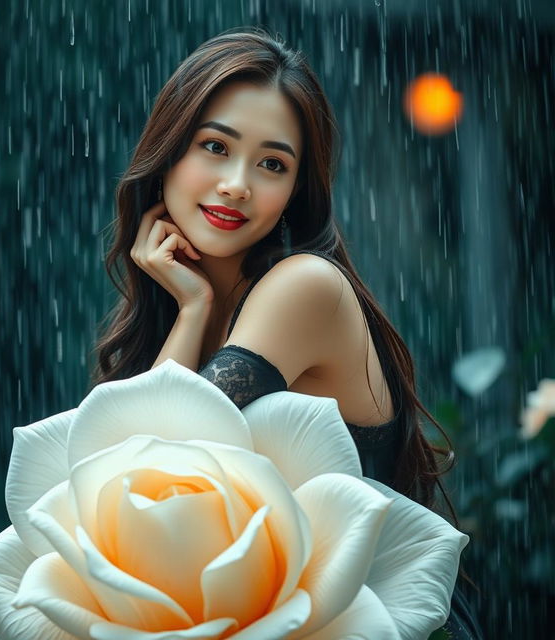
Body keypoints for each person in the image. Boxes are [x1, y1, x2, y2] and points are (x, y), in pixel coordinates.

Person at [92, 27, 482, 639]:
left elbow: (148, 467)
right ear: (167, 154)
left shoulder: (304, 287)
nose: (238, 184)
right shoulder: (188, 309)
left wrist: (193, 309)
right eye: (215, 147)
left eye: (272, 163)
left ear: (296, 190)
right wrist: (192, 309)